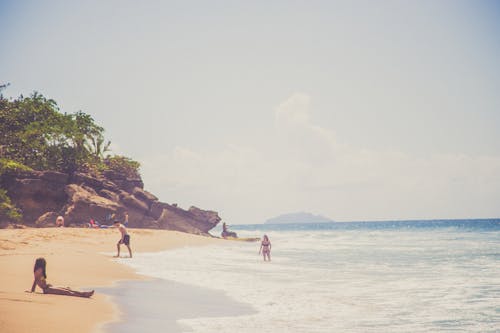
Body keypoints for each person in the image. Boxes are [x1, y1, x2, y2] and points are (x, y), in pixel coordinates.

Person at [28, 258, 94, 297]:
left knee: (68, 289)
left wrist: (32, 290)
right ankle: (84, 294)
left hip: (48, 287)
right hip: (47, 290)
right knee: (68, 292)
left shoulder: (37, 271)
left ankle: (84, 293)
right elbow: (36, 281)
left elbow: (36, 281)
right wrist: (32, 290)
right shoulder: (39, 270)